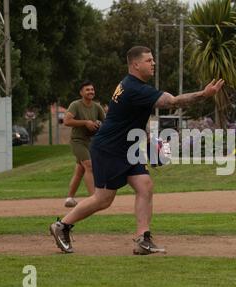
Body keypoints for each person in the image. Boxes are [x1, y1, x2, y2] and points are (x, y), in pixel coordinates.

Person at [50, 46, 224, 254]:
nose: (153, 64)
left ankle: (143, 239)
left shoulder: (131, 85)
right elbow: (173, 101)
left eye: (153, 60)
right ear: (135, 64)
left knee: (145, 185)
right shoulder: (135, 88)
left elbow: (135, 115)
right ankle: (62, 225)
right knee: (103, 199)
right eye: (149, 60)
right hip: (109, 149)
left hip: (127, 147)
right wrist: (204, 94)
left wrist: (149, 138)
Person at [63, 80, 105, 208]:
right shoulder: (75, 105)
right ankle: (94, 198)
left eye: (92, 89)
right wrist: (86, 122)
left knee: (80, 170)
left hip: (91, 142)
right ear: (81, 92)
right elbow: (67, 121)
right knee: (89, 166)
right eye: (87, 89)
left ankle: (69, 198)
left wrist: (99, 125)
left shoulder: (97, 107)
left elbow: (107, 123)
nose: (91, 92)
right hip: (78, 141)